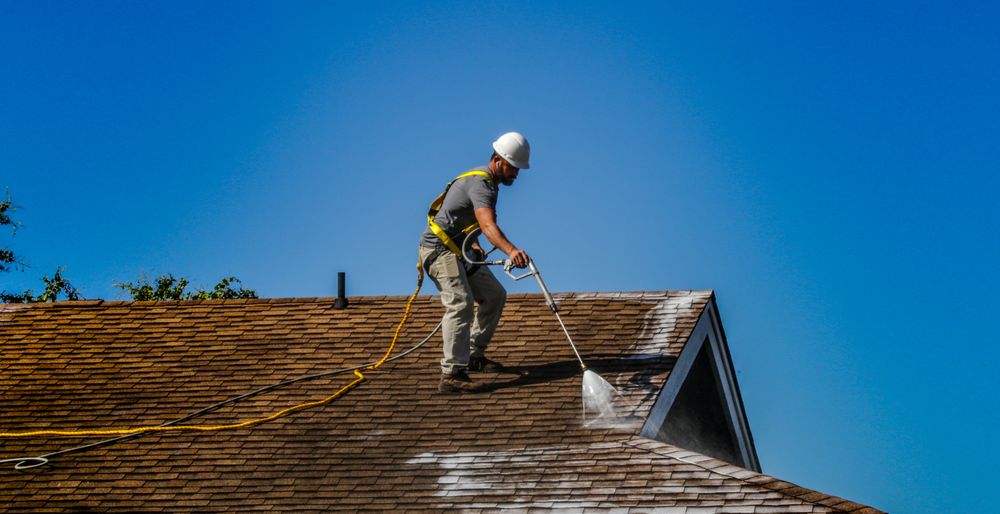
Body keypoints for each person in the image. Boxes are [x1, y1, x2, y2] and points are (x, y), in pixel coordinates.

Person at [418, 132, 532, 393]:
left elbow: (464, 220)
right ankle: (451, 373)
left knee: (494, 295)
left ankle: (472, 355)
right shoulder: (481, 184)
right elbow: (487, 224)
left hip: (459, 250)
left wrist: (475, 244)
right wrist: (511, 250)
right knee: (460, 302)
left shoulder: (488, 184)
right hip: (439, 250)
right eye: (513, 167)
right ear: (498, 160)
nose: (515, 173)